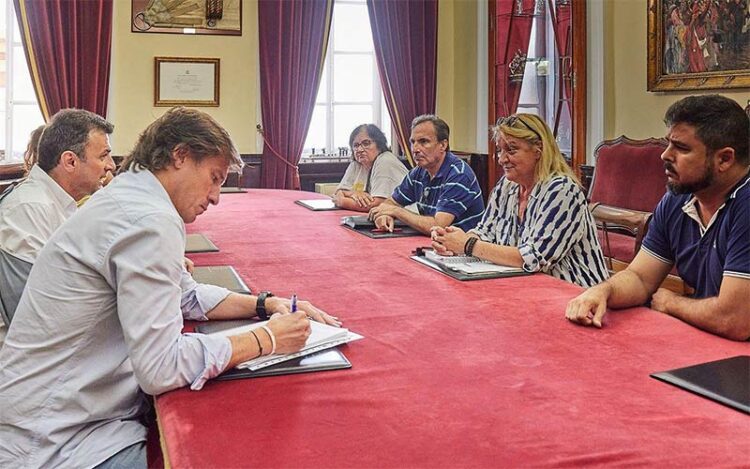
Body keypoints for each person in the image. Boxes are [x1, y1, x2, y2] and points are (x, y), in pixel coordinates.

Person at [0, 107, 340, 468]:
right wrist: (266, 340)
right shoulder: (149, 218)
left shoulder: (133, 200)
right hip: (61, 440)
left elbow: (185, 295)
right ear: (180, 156)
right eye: (214, 178)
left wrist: (265, 305)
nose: (215, 197)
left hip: (57, 414)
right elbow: (161, 368)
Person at [566, 95, 750, 341]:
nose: (665, 155)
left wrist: (672, 302)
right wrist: (603, 291)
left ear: (725, 159)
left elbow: (734, 320)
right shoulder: (679, 199)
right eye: (668, 144)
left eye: (681, 148)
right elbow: (640, 278)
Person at [431, 114, 609, 288]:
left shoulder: (562, 190)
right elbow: (486, 232)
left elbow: (533, 259)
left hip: (576, 295)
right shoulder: (507, 186)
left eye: (511, 150)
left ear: (538, 150)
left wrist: (468, 245)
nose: (501, 159)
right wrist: (452, 240)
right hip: (524, 287)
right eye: (500, 150)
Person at [0, 109, 115, 328]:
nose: (111, 165)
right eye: (103, 156)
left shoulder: (61, 202)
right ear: (70, 161)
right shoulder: (28, 208)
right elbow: (34, 311)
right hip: (26, 354)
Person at [368, 114, 484, 235]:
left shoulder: (459, 174)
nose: (415, 149)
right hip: (435, 244)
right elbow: (390, 203)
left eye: (424, 142)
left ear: (443, 145)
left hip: (464, 247)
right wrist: (385, 216)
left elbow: (437, 225)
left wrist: (395, 211)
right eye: (413, 142)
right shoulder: (418, 172)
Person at [332, 124, 408, 211]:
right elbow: (338, 192)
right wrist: (353, 193)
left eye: (366, 143)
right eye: (356, 145)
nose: (360, 150)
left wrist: (343, 202)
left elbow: (378, 204)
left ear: (379, 145)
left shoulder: (385, 161)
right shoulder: (356, 164)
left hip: (405, 220)